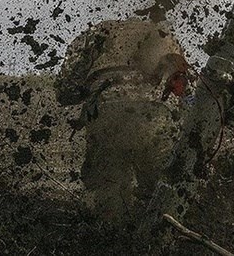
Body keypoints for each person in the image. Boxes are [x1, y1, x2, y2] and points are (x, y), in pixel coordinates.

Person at [55, 18, 190, 224]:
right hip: (156, 115)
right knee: (164, 190)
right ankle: (164, 237)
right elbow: (186, 91)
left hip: (107, 109)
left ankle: (112, 237)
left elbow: (65, 89)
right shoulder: (164, 33)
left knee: (107, 193)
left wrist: (87, 90)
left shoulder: (99, 32)